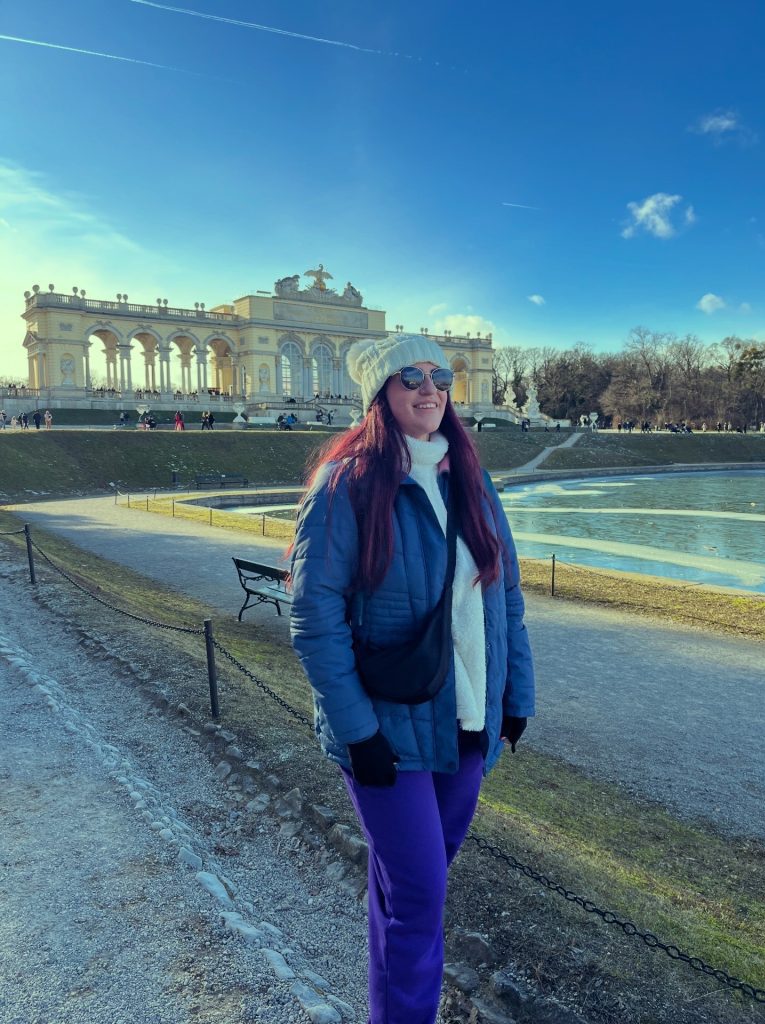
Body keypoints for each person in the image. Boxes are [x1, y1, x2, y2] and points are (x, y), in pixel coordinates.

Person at [289, 333, 535, 1024]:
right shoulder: (346, 483)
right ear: (381, 394)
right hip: (386, 730)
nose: (429, 389)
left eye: (439, 376)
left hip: (468, 719)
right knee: (422, 894)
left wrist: (517, 695)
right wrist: (356, 731)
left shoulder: (472, 479)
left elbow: (505, 597)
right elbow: (315, 618)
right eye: (409, 378)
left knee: (409, 886)